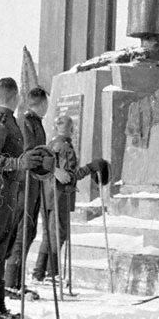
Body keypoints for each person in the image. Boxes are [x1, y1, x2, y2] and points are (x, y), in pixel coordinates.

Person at [0, 77, 46, 319]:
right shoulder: (0, 121)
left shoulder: (11, 121)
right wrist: (18, 163)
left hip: (9, 193)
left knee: (1, 250)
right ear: (15, 97)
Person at [32, 115, 109, 283]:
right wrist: (90, 168)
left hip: (47, 195)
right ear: (71, 130)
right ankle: (52, 274)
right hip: (60, 196)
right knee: (58, 234)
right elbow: (68, 177)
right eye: (72, 128)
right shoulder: (66, 148)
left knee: (48, 235)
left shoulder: (51, 145)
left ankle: (39, 272)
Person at [4, 86, 49, 300]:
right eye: (45, 103)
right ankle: (11, 283)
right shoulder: (25, 122)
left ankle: (16, 281)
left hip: (35, 183)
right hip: (25, 183)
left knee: (29, 232)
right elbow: (29, 151)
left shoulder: (36, 122)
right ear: (40, 103)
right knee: (22, 231)